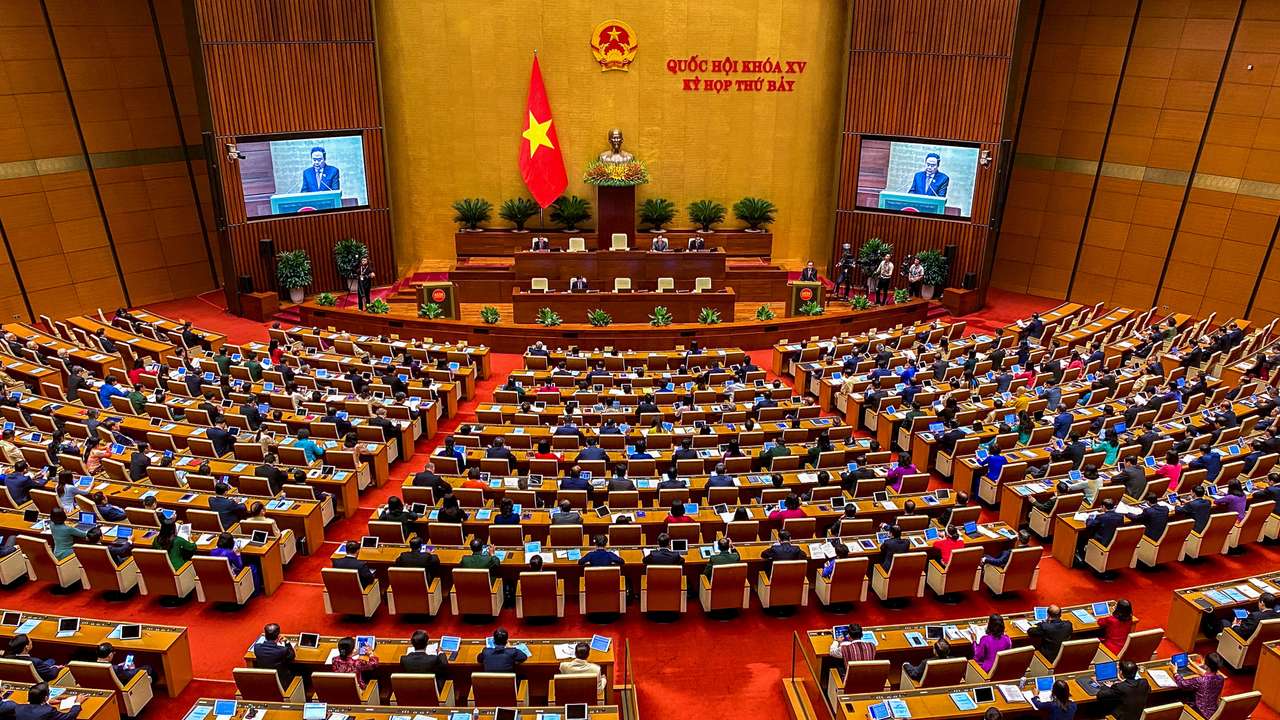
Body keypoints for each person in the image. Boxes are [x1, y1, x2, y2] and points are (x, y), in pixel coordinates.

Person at [1174, 652, 1226, 718]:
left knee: (1178, 698)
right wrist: (1193, 664)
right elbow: (1207, 675)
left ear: (1206, 665)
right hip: (1212, 713)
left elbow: (1182, 684)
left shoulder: (1200, 680)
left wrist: (1175, 673)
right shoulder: (1221, 678)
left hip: (1199, 714)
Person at [11, 681, 80, 720]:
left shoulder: (18, 707)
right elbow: (69, 717)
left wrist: (47, 702)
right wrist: (77, 702)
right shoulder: (48, 711)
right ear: (46, 697)